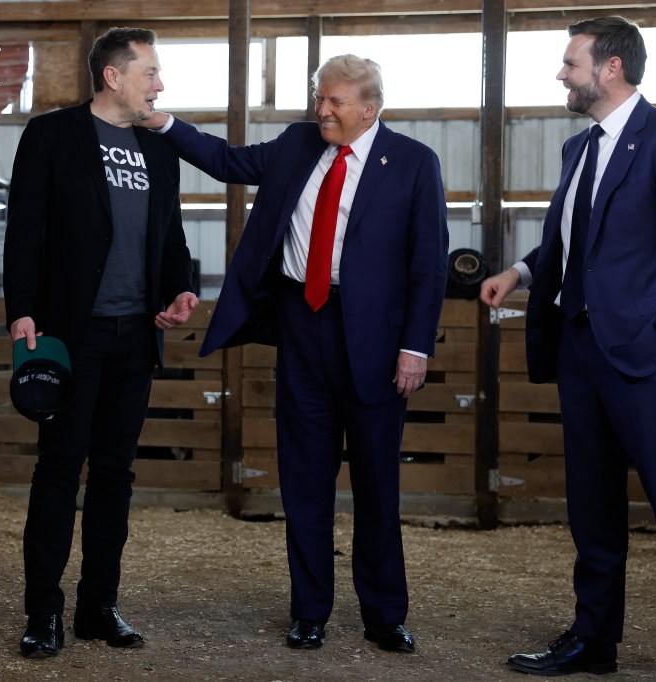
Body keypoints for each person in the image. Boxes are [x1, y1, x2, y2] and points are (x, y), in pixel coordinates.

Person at [136, 54, 449, 653]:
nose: (321, 110)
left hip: (378, 345)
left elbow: (429, 262)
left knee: (378, 484)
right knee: (304, 480)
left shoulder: (413, 163)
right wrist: (163, 124)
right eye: (317, 98)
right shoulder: (298, 143)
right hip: (302, 330)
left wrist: (415, 346)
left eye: (333, 101)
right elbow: (227, 162)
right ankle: (310, 610)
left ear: (369, 108)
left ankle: (385, 614)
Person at [479, 16, 656, 681]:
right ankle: (595, 641)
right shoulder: (578, 150)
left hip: (646, 359)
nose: (561, 74)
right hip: (581, 354)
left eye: (570, 63)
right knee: (592, 512)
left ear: (610, 68)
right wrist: (524, 273)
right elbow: (575, 242)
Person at [2, 26, 199, 658]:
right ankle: (43, 614)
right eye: (150, 72)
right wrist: (22, 312)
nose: (159, 84)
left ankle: (98, 607)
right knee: (59, 469)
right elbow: (23, 230)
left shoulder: (158, 148)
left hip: (136, 336)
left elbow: (170, 237)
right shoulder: (52, 136)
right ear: (114, 76)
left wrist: (181, 289)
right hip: (71, 333)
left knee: (115, 473)